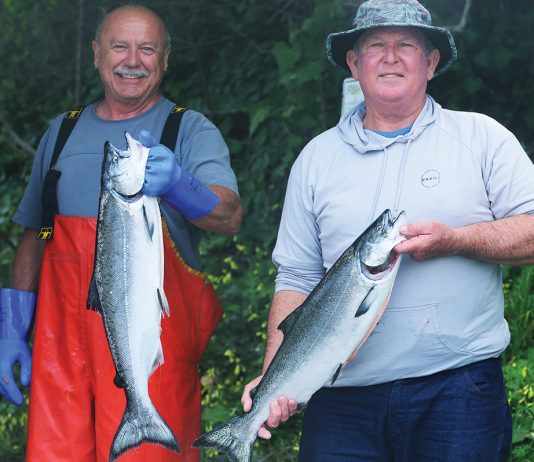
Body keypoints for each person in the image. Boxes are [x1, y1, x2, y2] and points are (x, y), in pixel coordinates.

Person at [241, 0, 534, 460]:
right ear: (354, 64)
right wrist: (276, 376)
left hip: (458, 391)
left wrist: (457, 240)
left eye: (407, 45)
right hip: (340, 399)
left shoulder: (482, 137)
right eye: (376, 45)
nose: (391, 56)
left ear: (431, 62)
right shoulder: (316, 159)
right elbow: (296, 278)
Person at [0, 4, 242, 462]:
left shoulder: (186, 129)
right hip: (61, 359)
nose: (133, 59)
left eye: (147, 48)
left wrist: (180, 186)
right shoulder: (62, 132)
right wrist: (11, 326)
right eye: (120, 46)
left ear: (165, 58)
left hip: (150, 353)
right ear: (96, 54)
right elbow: (40, 233)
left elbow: (229, 217)